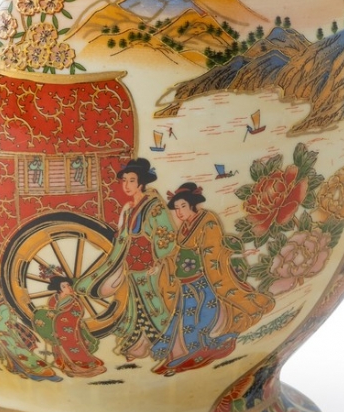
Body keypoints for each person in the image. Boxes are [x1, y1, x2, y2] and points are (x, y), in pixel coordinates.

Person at [152, 182, 274, 376]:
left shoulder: (207, 220)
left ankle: (198, 350)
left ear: (193, 204)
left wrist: (219, 265)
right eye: (176, 208)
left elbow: (213, 249)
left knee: (204, 315)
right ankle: (182, 354)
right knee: (184, 317)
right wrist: (162, 262)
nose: (180, 212)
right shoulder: (184, 227)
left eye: (183, 206)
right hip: (185, 282)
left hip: (204, 279)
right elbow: (178, 251)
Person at [77, 157, 178, 362]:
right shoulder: (130, 208)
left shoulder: (154, 205)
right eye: (124, 180)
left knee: (152, 302)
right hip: (131, 263)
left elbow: (165, 233)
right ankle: (140, 345)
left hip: (148, 263)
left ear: (141, 183)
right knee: (136, 305)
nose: (127, 185)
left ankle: (166, 344)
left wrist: (158, 262)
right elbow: (124, 237)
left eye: (132, 180)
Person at [0, 272, 61, 381]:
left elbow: (6, 318)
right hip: (0, 334)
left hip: (9, 332)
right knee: (11, 354)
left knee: (21, 352)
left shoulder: (3, 300)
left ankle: (42, 371)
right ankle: (20, 370)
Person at [33, 275, 106, 378]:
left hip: (70, 327)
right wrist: (54, 320)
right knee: (59, 347)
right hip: (56, 327)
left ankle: (83, 366)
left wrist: (63, 318)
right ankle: (67, 366)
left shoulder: (73, 299)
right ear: (59, 289)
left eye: (68, 285)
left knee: (74, 346)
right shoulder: (53, 299)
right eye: (64, 286)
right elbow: (50, 313)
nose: (68, 288)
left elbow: (78, 311)